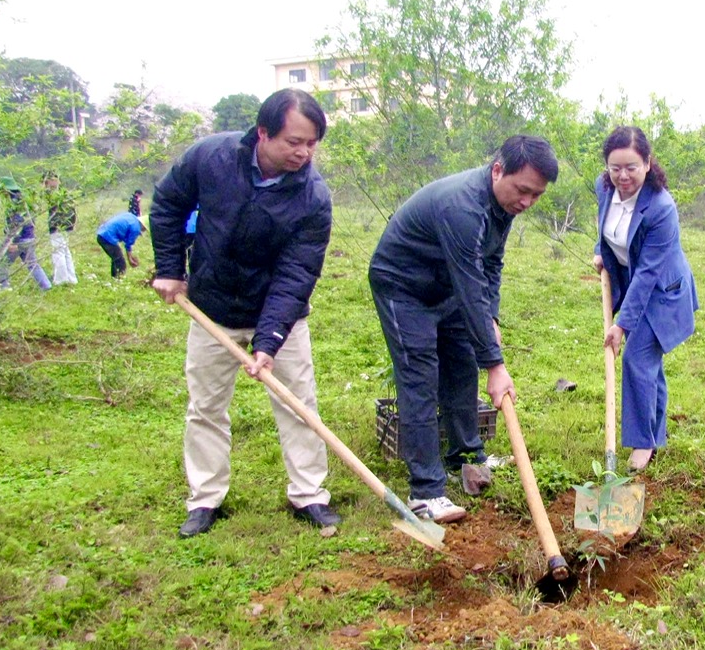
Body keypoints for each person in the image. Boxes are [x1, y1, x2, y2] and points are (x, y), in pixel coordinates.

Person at [149, 89, 338, 538]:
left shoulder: (313, 197)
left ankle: (309, 495)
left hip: (281, 312)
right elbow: (168, 204)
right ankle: (206, 499)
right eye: (294, 141)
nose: (303, 152)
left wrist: (269, 341)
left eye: (312, 143)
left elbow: (297, 274)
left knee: (298, 404)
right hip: (212, 306)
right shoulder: (211, 157)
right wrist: (171, 270)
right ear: (262, 132)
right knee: (206, 405)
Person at [368, 136, 558, 524]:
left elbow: (491, 266)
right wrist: (496, 363)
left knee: (460, 366)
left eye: (536, 196)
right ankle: (426, 491)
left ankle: (467, 455)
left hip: (447, 287)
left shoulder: (503, 206)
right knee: (420, 377)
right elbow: (470, 282)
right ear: (498, 170)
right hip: (404, 287)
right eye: (522, 190)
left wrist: (493, 318)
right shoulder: (462, 206)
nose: (526, 202)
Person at [591, 126, 698, 471]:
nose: (622, 176)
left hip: (662, 291)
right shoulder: (603, 187)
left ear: (648, 164)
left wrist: (621, 325)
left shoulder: (661, 208)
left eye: (631, 168)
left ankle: (642, 445)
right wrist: (600, 252)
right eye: (615, 167)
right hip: (633, 279)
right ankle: (654, 436)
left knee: (636, 359)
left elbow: (649, 273)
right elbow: (605, 229)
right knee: (648, 366)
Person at [0, 176, 51, 291]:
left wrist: (13, 241)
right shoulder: (24, 200)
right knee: (32, 264)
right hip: (29, 237)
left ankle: (4, 288)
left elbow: (17, 224)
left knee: (1, 264)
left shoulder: (14, 203)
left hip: (19, 240)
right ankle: (46, 285)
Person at [44, 172, 78, 285]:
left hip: (58, 226)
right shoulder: (65, 193)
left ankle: (61, 279)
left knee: (58, 252)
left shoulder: (53, 194)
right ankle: (71, 278)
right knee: (65, 251)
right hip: (67, 226)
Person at [95, 211, 144, 278]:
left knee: (116, 258)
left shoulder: (131, 216)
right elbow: (128, 244)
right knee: (120, 262)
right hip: (107, 237)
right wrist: (130, 258)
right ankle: (118, 279)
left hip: (102, 232)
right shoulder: (136, 228)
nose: (144, 231)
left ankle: (114, 278)